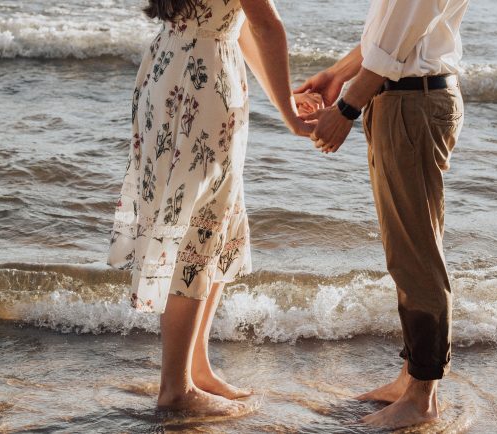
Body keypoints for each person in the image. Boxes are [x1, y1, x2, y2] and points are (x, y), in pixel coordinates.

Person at [107, 0, 319, 417]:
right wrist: (291, 117)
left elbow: (238, 27)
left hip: (171, 67)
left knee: (212, 218)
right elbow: (267, 26)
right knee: (197, 224)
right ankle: (175, 389)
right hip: (202, 84)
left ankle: (194, 367)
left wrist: (283, 100)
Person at [297, 0, 469, 429]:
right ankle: (412, 378)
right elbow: (392, 35)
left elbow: (396, 40)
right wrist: (338, 76)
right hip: (405, 99)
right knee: (407, 253)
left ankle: (422, 397)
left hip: (412, 104)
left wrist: (346, 108)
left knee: (416, 258)